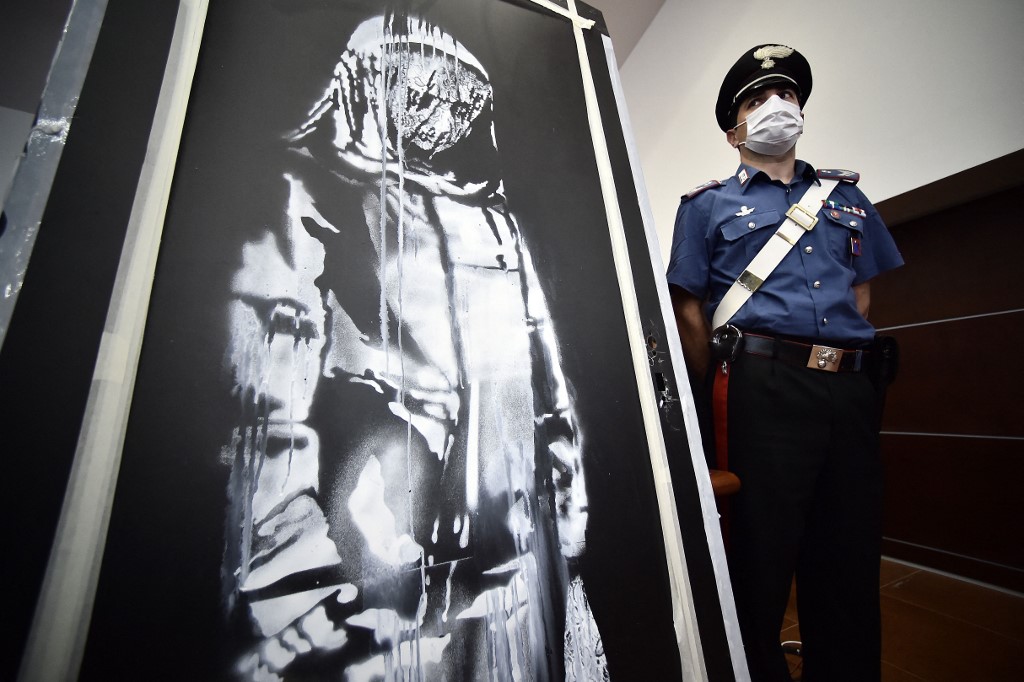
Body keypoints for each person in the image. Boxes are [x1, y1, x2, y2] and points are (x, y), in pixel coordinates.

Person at [667, 44, 903, 681]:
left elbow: (860, 292)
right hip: (759, 386)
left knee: (848, 553)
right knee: (757, 557)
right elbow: (691, 312)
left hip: (851, 390)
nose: (778, 106)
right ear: (733, 128)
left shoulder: (847, 199)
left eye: (789, 95)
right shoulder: (705, 206)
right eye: (757, 99)